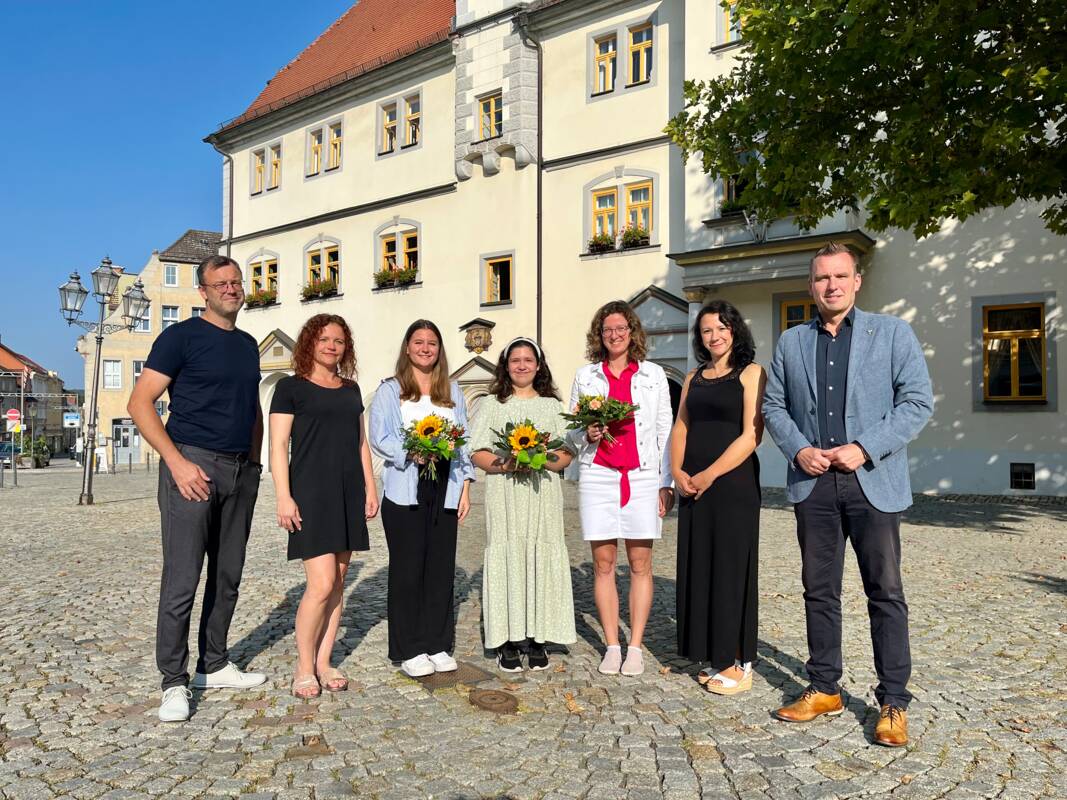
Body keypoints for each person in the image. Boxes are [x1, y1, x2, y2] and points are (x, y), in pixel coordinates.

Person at [762, 242, 933, 747]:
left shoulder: (893, 333)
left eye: (840, 276)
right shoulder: (791, 342)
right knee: (819, 590)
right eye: (821, 278)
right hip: (814, 482)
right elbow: (774, 406)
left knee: (885, 592)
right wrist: (797, 450)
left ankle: (893, 702)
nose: (831, 285)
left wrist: (865, 447)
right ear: (810, 286)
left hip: (871, 481)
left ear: (856, 281)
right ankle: (824, 688)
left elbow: (917, 402)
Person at [128, 255, 267, 723]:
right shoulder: (180, 338)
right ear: (203, 292)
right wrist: (176, 462)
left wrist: (255, 465)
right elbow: (140, 402)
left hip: (239, 470)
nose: (231, 288)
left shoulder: (249, 345)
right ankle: (173, 681)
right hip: (192, 464)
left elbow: (252, 410)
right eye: (220, 283)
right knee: (183, 580)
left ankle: (215, 663)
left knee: (228, 575)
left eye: (236, 281)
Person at [268, 314, 379, 699]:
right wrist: (284, 495)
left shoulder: (351, 390)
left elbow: (360, 443)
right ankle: (303, 667)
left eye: (339, 340)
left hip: (348, 491)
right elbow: (278, 446)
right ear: (309, 344)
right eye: (324, 339)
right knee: (321, 583)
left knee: (339, 584)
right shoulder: (289, 388)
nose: (332, 346)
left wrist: (370, 487)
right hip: (311, 493)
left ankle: (324, 661)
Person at [567, 300, 674, 677]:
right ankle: (612, 644)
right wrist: (587, 433)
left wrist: (666, 482)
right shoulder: (586, 377)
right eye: (607, 329)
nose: (614, 335)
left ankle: (636, 646)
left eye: (621, 328)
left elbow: (665, 431)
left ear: (632, 333)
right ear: (600, 335)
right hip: (599, 475)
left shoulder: (653, 375)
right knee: (603, 564)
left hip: (642, 475)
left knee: (641, 564)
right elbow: (573, 431)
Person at [369, 320, 474, 678]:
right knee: (408, 569)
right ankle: (409, 647)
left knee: (440, 568)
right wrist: (412, 451)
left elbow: (464, 440)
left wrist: (465, 488)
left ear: (439, 349)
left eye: (432, 343)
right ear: (408, 347)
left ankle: (437, 642)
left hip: (445, 484)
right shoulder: (391, 390)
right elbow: (379, 436)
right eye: (419, 342)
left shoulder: (453, 390)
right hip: (405, 486)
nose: (425, 348)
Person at [672, 301, 765, 695]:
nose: (715, 336)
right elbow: (681, 426)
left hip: (732, 483)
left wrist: (709, 474)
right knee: (701, 564)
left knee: (731, 567)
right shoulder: (693, 377)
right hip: (694, 483)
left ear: (735, 330)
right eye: (708, 330)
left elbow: (752, 435)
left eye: (723, 328)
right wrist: (677, 472)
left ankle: (737, 661)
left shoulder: (751, 373)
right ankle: (712, 652)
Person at [469, 337, 576, 672]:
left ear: (539, 365)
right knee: (510, 555)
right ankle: (508, 639)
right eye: (515, 360)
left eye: (528, 360)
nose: (522, 365)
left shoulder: (552, 406)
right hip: (506, 493)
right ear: (506, 366)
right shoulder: (491, 404)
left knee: (540, 556)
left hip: (542, 494)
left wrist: (539, 457)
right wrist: (510, 463)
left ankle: (538, 637)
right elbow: (478, 452)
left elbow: (567, 453)